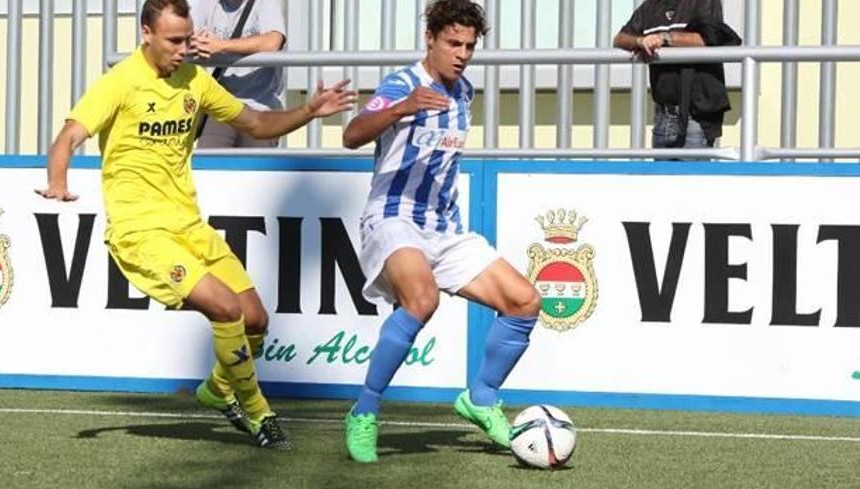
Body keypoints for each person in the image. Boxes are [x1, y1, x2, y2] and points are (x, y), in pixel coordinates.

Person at [35, 0, 354, 449]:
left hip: (189, 226)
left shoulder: (194, 80)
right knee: (225, 309)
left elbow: (256, 122)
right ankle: (260, 415)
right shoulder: (120, 83)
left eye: (187, 40)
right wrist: (57, 180)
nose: (184, 49)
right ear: (146, 33)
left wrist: (309, 111)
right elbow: (70, 134)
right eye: (174, 41)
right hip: (141, 233)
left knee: (256, 321)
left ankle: (218, 390)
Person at [341, 0, 541, 463]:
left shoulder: (464, 92)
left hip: (444, 229)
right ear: (429, 38)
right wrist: (401, 109)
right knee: (422, 300)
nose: (462, 53)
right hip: (392, 218)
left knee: (524, 301)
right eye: (453, 43)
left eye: (470, 45)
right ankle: (364, 411)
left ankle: (482, 398)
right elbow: (352, 135)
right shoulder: (403, 84)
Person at [613, 0, 741, 151]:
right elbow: (619, 39)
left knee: (692, 174)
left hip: (696, 116)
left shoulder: (703, 2)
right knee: (661, 174)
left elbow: (707, 38)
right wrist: (640, 41)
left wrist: (664, 39)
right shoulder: (650, 6)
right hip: (663, 116)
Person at [190, 0, 288, 148]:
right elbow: (180, 35)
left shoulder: (266, 4)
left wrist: (220, 46)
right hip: (220, 106)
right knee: (209, 164)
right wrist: (192, 43)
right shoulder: (205, 4)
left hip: (260, 107)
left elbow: (272, 42)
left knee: (256, 169)